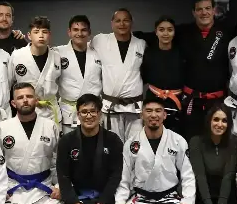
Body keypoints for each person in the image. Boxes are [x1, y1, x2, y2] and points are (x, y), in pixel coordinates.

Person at [112, 97, 196, 204]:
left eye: (158, 111)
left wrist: (187, 202)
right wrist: (120, 202)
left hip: (169, 198)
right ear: (141, 115)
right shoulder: (131, 143)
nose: (153, 115)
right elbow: (124, 176)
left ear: (164, 115)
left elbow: (188, 174)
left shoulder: (177, 141)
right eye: (149, 111)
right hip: (140, 198)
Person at [0, 83, 64, 204]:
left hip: (43, 187)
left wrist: (59, 186)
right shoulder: (2, 128)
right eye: (20, 97)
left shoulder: (50, 126)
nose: (25, 100)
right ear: (13, 103)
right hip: (14, 188)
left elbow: (59, 160)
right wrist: (0, 190)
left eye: (29, 96)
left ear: (36, 100)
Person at [57, 94, 123, 204]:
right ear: (78, 114)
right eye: (84, 112)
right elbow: (63, 176)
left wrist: (102, 202)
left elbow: (116, 174)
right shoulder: (67, 141)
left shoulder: (113, 140)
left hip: (102, 196)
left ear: (100, 114)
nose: (89, 116)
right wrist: (73, 203)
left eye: (93, 111)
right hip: (78, 196)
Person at [177, 0, 237, 141]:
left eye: (207, 8)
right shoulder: (183, 32)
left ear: (214, 10)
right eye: (199, 9)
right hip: (192, 99)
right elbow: (156, 35)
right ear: (193, 12)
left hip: (217, 100)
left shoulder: (227, 31)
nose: (204, 12)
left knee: (217, 140)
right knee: (191, 140)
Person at [90, 8, 146, 142]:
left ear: (131, 23)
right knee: (112, 146)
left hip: (135, 108)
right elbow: (81, 48)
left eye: (126, 20)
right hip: (111, 106)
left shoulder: (141, 44)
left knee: (136, 147)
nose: (122, 24)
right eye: (118, 21)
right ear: (112, 23)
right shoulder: (100, 40)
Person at [189, 104, 237, 204]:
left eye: (224, 120)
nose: (220, 124)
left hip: (227, 196)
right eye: (216, 119)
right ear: (209, 121)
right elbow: (200, 176)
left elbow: (229, 176)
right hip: (204, 195)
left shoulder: (234, 143)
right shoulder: (196, 142)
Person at [8, 16, 61, 124]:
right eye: (36, 32)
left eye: (44, 32)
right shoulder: (17, 55)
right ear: (29, 35)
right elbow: (8, 84)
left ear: (49, 35)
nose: (41, 36)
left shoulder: (56, 56)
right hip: (26, 110)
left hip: (51, 111)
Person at [54, 15, 103, 134]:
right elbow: (38, 51)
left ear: (89, 32)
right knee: (71, 148)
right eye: (75, 30)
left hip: (93, 110)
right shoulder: (57, 52)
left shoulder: (98, 52)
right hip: (68, 112)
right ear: (69, 32)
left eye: (83, 30)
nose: (79, 33)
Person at [141, 16, 185, 134]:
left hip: (175, 101)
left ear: (174, 32)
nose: (166, 33)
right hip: (153, 99)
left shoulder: (182, 54)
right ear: (156, 32)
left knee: (175, 137)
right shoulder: (149, 53)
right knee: (152, 134)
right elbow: (143, 76)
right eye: (161, 30)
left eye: (170, 30)